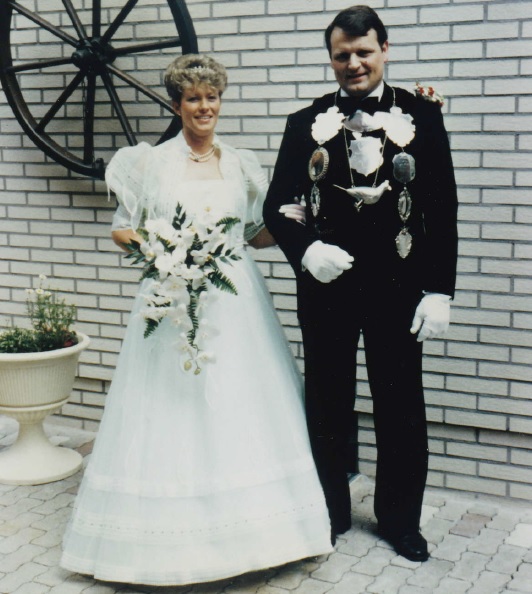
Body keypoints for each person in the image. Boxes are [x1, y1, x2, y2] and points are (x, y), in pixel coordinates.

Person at [60, 53, 333, 586]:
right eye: (193, 99)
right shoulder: (150, 163)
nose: (204, 107)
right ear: (176, 104)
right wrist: (163, 251)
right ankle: (162, 542)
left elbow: (254, 233)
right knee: (171, 407)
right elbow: (122, 228)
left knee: (241, 405)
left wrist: (295, 220)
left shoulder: (241, 165)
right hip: (170, 296)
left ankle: (263, 537)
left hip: (235, 303)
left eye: (212, 97)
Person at [263, 5, 458, 562]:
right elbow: (276, 206)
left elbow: (441, 208)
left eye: (364, 52)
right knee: (327, 403)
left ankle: (400, 520)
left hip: (399, 286)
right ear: (331, 58)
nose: (353, 63)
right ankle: (328, 512)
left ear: (384, 50)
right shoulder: (304, 121)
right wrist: (306, 250)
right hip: (327, 287)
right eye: (342, 55)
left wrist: (439, 290)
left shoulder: (422, 115)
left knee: (400, 405)